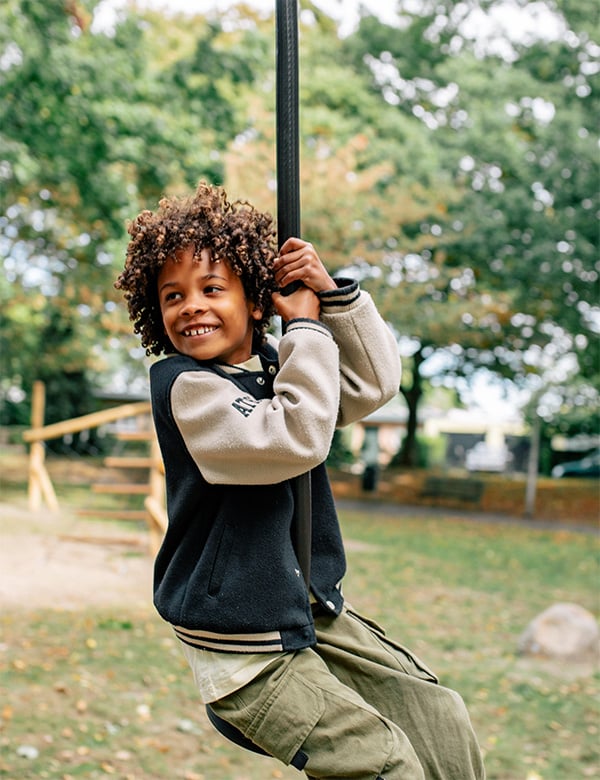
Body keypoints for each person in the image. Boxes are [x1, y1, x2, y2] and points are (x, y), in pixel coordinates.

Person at [115, 181, 485, 780]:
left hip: (305, 607)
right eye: (173, 295)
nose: (191, 306)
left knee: (438, 719)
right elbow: (294, 437)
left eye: (213, 288)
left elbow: (371, 385)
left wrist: (330, 297)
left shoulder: (276, 367)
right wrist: (306, 331)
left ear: (257, 301)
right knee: (386, 764)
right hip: (242, 644)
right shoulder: (187, 389)